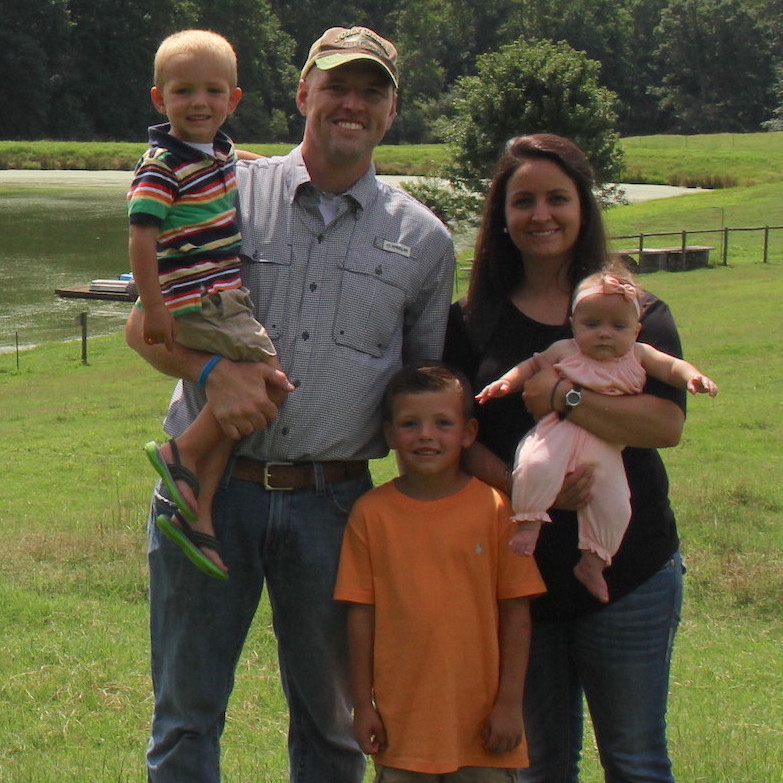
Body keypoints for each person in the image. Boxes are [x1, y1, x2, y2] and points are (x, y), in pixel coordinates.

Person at [126, 25, 455, 783]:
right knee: (185, 718)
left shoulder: (426, 241)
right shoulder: (223, 184)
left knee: (333, 728)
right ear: (302, 92)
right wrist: (215, 370)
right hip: (212, 491)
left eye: (371, 91)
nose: (352, 103)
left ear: (391, 110)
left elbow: (423, 398)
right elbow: (143, 328)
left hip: (336, 509)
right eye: (336, 85)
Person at [443, 133, 688, 782]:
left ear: (583, 206)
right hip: (518, 579)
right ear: (501, 214)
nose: (540, 213)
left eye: (557, 197)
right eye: (522, 200)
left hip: (630, 569)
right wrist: (539, 493)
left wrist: (565, 396)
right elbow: (456, 440)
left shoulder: (633, 312)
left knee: (634, 760)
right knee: (538, 765)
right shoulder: (471, 320)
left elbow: (664, 423)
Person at [336, 362, 546, 782]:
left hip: (483, 726)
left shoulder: (496, 509)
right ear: (391, 434)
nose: (426, 435)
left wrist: (509, 703)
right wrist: (363, 704)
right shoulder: (371, 514)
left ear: (468, 433)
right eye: (410, 424)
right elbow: (360, 615)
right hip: (403, 727)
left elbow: (516, 612)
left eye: (442, 423)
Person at [128, 29, 281, 580]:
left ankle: (197, 511)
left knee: (239, 412)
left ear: (233, 100)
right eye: (184, 91)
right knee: (270, 380)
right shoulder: (161, 164)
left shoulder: (215, 151)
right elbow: (141, 238)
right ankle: (182, 453)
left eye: (214, 92)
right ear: (159, 99)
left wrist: (282, 168)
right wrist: (155, 307)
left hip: (218, 298)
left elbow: (243, 158)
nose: (199, 103)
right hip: (200, 301)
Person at [477, 267, 718, 603]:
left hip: (605, 446)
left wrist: (693, 378)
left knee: (617, 505)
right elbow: (531, 367)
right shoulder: (565, 350)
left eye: (618, 326)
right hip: (558, 433)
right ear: (574, 324)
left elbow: (672, 367)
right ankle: (529, 522)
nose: (605, 334)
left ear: (636, 330)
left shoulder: (639, 354)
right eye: (592, 325)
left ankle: (593, 561)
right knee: (534, 465)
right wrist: (505, 383)